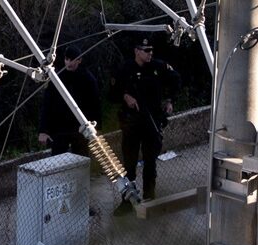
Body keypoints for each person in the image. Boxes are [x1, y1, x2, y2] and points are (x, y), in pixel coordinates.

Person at [115, 36, 180, 202]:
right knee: (129, 165)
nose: (150, 53)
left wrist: (170, 100)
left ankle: (150, 198)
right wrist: (125, 96)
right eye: (146, 50)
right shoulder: (125, 69)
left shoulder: (158, 67)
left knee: (150, 163)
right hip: (132, 124)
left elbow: (176, 80)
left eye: (151, 50)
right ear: (137, 51)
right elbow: (111, 92)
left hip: (152, 121)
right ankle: (128, 201)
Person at [38, 44, 101, 157]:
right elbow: (47, 104)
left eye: (72, 60)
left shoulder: (88, 79)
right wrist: (43, 130)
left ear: (79, 60)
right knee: (57, 161)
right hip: (59, 128)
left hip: (80, 129)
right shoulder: (58, 78)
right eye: (67, 59)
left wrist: (96, 129)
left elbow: (95, 105)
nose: (69, 63)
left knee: (81, 160)